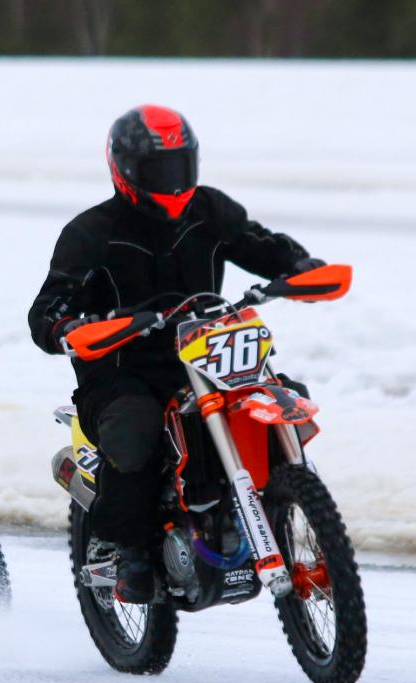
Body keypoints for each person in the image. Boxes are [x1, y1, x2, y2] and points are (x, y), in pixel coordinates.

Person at [28, 105, 324, 603]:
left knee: (284, 396)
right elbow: (46, 309)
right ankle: (129, 551)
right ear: (124, 168)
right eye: (158, 170)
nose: (171, 180)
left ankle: (288, 505)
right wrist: (68, 326)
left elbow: (258, 244)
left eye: (179, 166)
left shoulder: (210, 209)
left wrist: (297, 265)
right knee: (136, 428)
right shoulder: (90, 231)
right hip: (122, 369)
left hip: (209, 355)